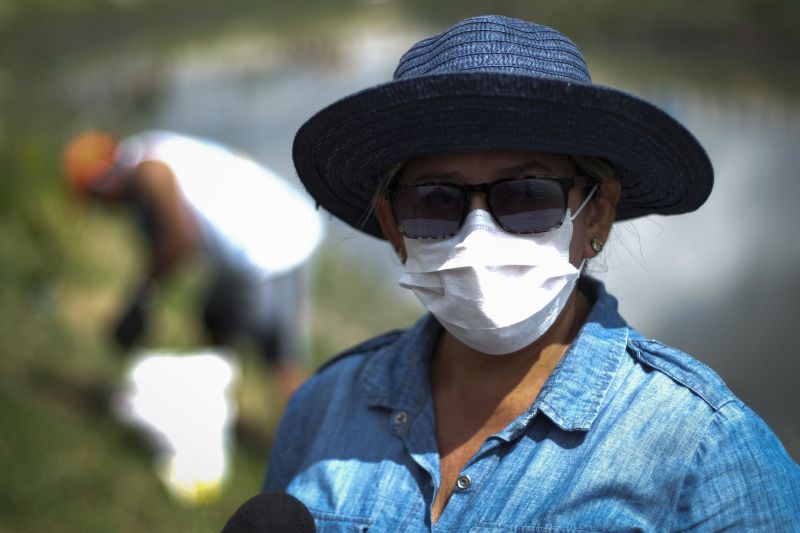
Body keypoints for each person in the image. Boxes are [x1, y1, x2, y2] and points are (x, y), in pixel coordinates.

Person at [261, 15, 800, 531]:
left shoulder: (707, 451)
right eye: (435, 200)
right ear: (393, 226)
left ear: (597, 214)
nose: (476, 236)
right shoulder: (322, 407)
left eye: (526, 195)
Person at [62, 129, 324, 402]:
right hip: (276, 233)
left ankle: (300, 436)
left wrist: (142, 297)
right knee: (223, 328)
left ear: (103, 182)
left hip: (267, 250)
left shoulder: (148, 173)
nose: (104, 208)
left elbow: (180, 240)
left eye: (96, 199)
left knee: (274, 359)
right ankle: (216, 409)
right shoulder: (148, 147)